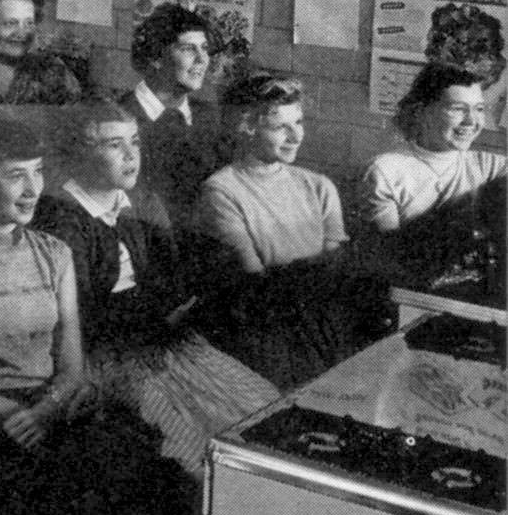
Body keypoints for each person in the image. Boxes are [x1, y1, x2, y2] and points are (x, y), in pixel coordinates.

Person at [0, 112, 192, 515]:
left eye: (38, 172)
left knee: (156, 485)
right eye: (15, 176)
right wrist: (28, 417)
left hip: (56, 411)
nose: (32, 190)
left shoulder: (54, 253)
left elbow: (71, 364)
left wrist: (49, 409)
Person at [32, 99, 279, 478]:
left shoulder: (137, 201)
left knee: (263, 410)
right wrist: (162, 312)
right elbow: (77, 320)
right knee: (196, 448)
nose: (132, 155)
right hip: (106, 357)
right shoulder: (63, 225)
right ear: (79, 153)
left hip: (161, 340)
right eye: (114, 145)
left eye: (135, 142)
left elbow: (169, 270)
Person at [195, 72, 369, 390]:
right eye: (280, 127)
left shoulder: (319, 186)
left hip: (321, 322)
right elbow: (254, 282)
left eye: (299, 122)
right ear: (246, 127)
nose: (296, 136)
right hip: (263, 329)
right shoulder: (221, 191)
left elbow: (340, 272)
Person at [110, 3, 220, 233]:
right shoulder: (117, 119)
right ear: (156, 57)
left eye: (205, 48)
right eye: (189, 49)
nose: (202, 60)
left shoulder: (210, 118)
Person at [361, 63, 506, 233]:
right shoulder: (385, 172)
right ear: (422, 112)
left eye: (479, 109)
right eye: (458, 108)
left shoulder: (494, 167)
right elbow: (389, 252)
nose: (471, 121)